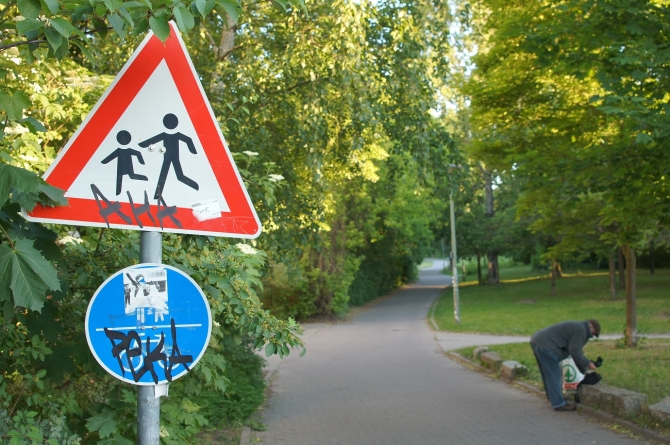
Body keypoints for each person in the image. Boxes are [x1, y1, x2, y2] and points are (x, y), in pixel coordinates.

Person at [530, 319, 601, 411]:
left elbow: (574, 352)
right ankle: (559, 404)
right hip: (547, 346)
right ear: (590, 326)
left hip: (538, 340)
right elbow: (574, 350)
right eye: (592, 333)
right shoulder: (581, 330)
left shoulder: (578, 327)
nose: (591, 336)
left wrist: (584, 368)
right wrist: (587, 363)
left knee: (548, 374)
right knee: (554, 375)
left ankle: (554, 398)